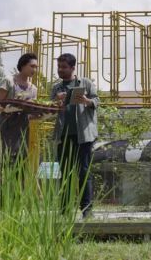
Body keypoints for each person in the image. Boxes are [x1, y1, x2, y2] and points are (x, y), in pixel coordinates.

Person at [50, 53, 99, 219]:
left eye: (64, 67)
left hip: (83, 136)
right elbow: (51, 110)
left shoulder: (85, 83)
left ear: (72, 67)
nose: (60, 70)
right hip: (63, 135)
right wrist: (56, 102)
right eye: (59, 67)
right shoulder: (56, 88)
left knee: (84, 172)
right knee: (65, 173)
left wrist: (86, 101)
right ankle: (64, 211)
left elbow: (97, 101)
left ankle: (87, 210)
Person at [0, 52, 39, 182]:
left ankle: (16, 199)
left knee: (20, 166)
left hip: (22, 129)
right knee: (0, 166)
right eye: (32, 66)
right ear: (22, 65)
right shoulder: (9, 81)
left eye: (36, 67)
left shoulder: (33, 88)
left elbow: (31, 111)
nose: (34, 70)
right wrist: (8, 109)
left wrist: (38, 114)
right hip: (5, 127)